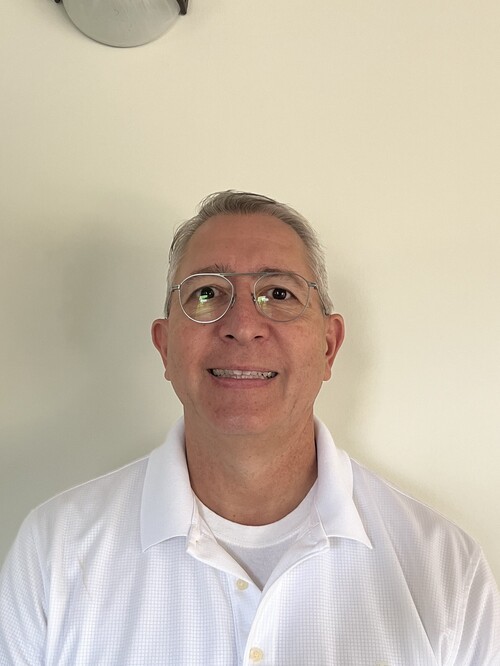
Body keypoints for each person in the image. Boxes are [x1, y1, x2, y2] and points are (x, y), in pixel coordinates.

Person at [0, 190, 499, 665]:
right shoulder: (55, 553)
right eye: (207, 293)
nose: (241, 325)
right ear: (165, 347)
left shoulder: (444, 571)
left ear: (328, 346)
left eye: (279, 293)